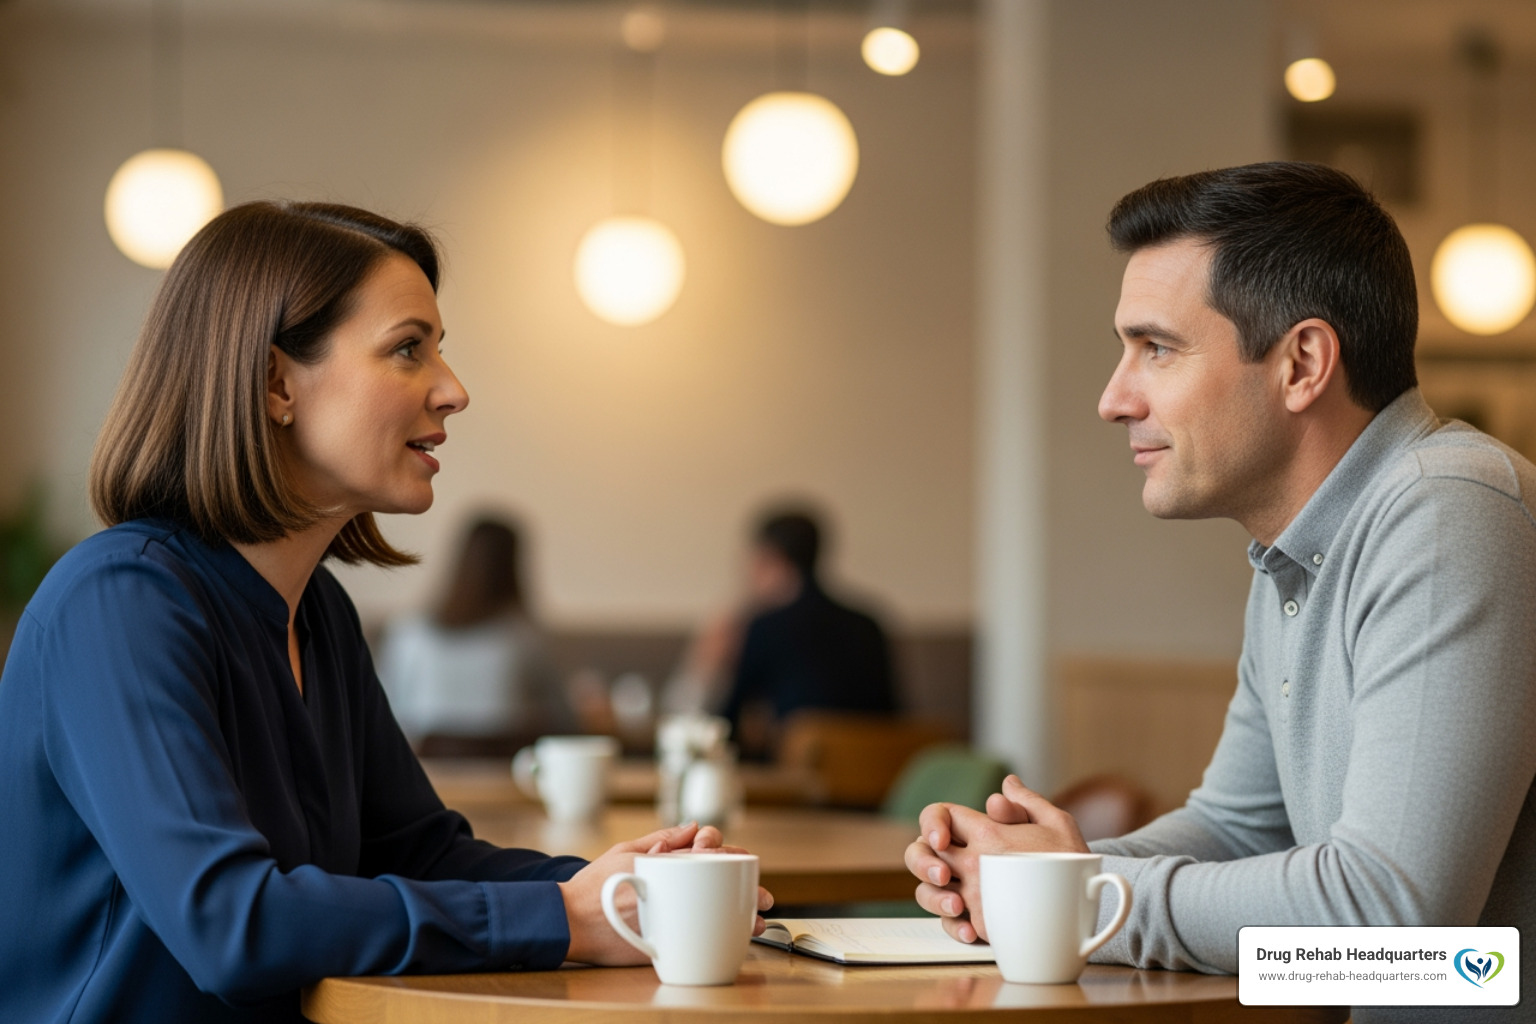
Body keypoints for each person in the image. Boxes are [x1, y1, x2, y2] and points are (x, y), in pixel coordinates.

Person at [0, 201, 770, 1024]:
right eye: (408, 348)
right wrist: (563, 918)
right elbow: (230, 924)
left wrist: (619, 888)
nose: (454, 390)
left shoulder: (318, 612)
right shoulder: (119, 603)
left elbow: (416, 852)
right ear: (275, 384)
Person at [904, 162, 1535, 1023]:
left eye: (1156, 348)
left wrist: (1082, 897)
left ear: (1302, 363)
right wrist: (1026, 877)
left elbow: (1396, 927)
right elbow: (1240, 830)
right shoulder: (1295, 555)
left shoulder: (1450, 511)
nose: (1113, 398)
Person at [377, 514, 576, 756]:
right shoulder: (526, 638)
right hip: (506, 771)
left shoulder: (408, 633)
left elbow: (383, 713)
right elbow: (563, 719)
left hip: (423, 768)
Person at [716, 507, 898, 757]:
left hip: (799, 775)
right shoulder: (868, 624)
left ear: (772, 557)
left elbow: (728, 722)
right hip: (876, 773)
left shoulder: (766, 627)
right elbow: (893, 716)